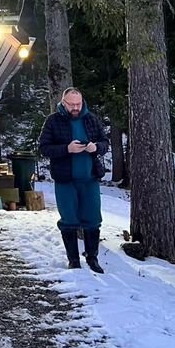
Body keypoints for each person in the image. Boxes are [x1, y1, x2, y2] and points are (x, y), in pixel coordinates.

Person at [38, 88, 110, 273]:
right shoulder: (53, 121)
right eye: (72, 105)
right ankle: (73, 260)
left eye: (78, 104)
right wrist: (66, 149)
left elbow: (105, 142)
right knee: (69, 219)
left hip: (90, 179)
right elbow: (44, 148)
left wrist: (96, 147)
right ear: (64, 103)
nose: (76, 108)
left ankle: (92, 258)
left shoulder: (91, 119)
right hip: (65, 180)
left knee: (93, 219)